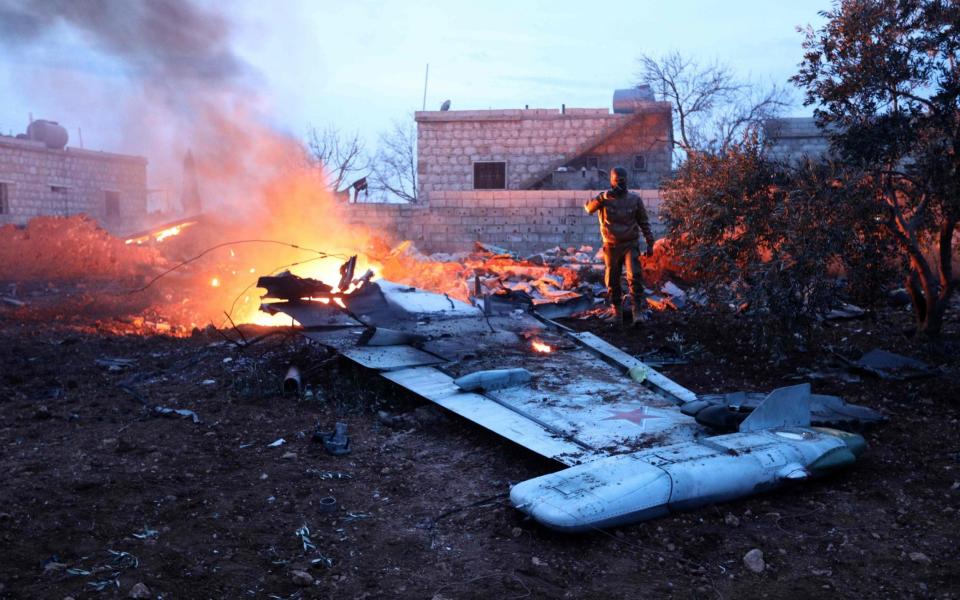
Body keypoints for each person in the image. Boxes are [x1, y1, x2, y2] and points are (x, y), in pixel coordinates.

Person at [584, 166, 655, 325]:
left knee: (635, 277)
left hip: (630, 244)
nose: (619, 184)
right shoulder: (604, 199)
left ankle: (637, 313)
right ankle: (617, 313)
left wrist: (651, 243)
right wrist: (601, 198)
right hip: (611, 246)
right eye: (616, 181)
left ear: (627, 181)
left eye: (622, 181)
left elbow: (644, 222)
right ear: (611, 181)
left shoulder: (634, 199)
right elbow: (589, 209)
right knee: (612, 280)